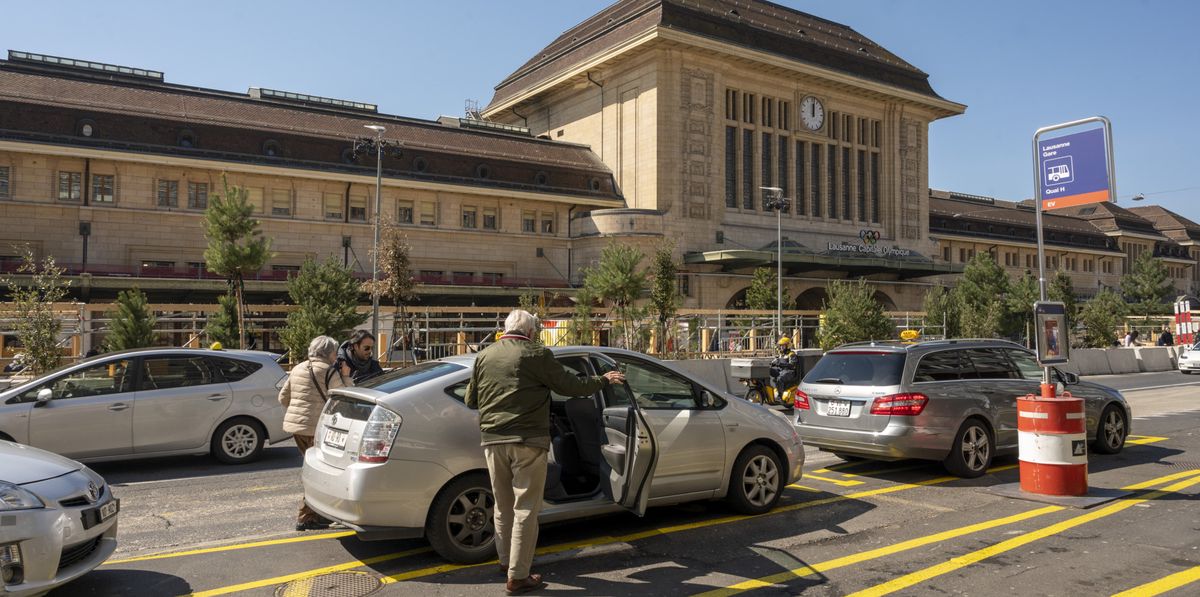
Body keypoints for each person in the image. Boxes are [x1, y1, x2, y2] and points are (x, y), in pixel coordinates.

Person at [465, 309, 624, 595]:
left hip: (492, 440)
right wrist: (602, 380)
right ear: (530, 332)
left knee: (502, 506)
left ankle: (506, 562)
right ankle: (518, 576)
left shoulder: (485, 355)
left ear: (506, 328)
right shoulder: (536, 354)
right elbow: (571, 386)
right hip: (528, 440)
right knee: (525, 508)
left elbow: (470, 399)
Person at [278, 335, 352, 531]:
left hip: (297, 429)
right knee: (318, 473)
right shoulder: (329, 371)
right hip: (316, 429)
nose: (336, 356)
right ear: (329, 353)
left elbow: (283, 398)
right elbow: (345, 398)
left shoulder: (298, 368)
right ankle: (306, 517)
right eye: (334, 352)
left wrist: (299, 413)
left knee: (313, 470)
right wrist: (345, 375)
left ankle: (316, 513)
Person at [769, 336, 803, 402]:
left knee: (780, 378)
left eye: (783, 346)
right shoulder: (781, 355)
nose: (781, 347)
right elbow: (776, 361)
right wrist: (772, 363)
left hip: (790, 372)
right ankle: (773, 391)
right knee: (769, 372)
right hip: (782, 371)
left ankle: (780, 395)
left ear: (788, 346)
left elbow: (792, 365)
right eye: (781, 346)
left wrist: (781, 364)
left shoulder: (791, 354)